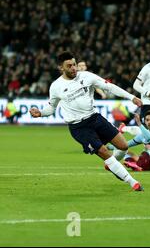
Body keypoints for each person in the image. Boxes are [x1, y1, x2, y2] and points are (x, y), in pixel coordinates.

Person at [29, 52, 144, 191]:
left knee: (124, 146)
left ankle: (111, 165)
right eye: (69, 66)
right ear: (61, 68)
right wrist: (40, 113)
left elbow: (110, 87)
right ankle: (133, 182)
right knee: (103, 151)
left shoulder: (87, 76)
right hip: (79, 127)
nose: (73, 68)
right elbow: (51, 108)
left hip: (95, 118)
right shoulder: (56, 86)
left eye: (74, 64)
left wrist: (132, 97)